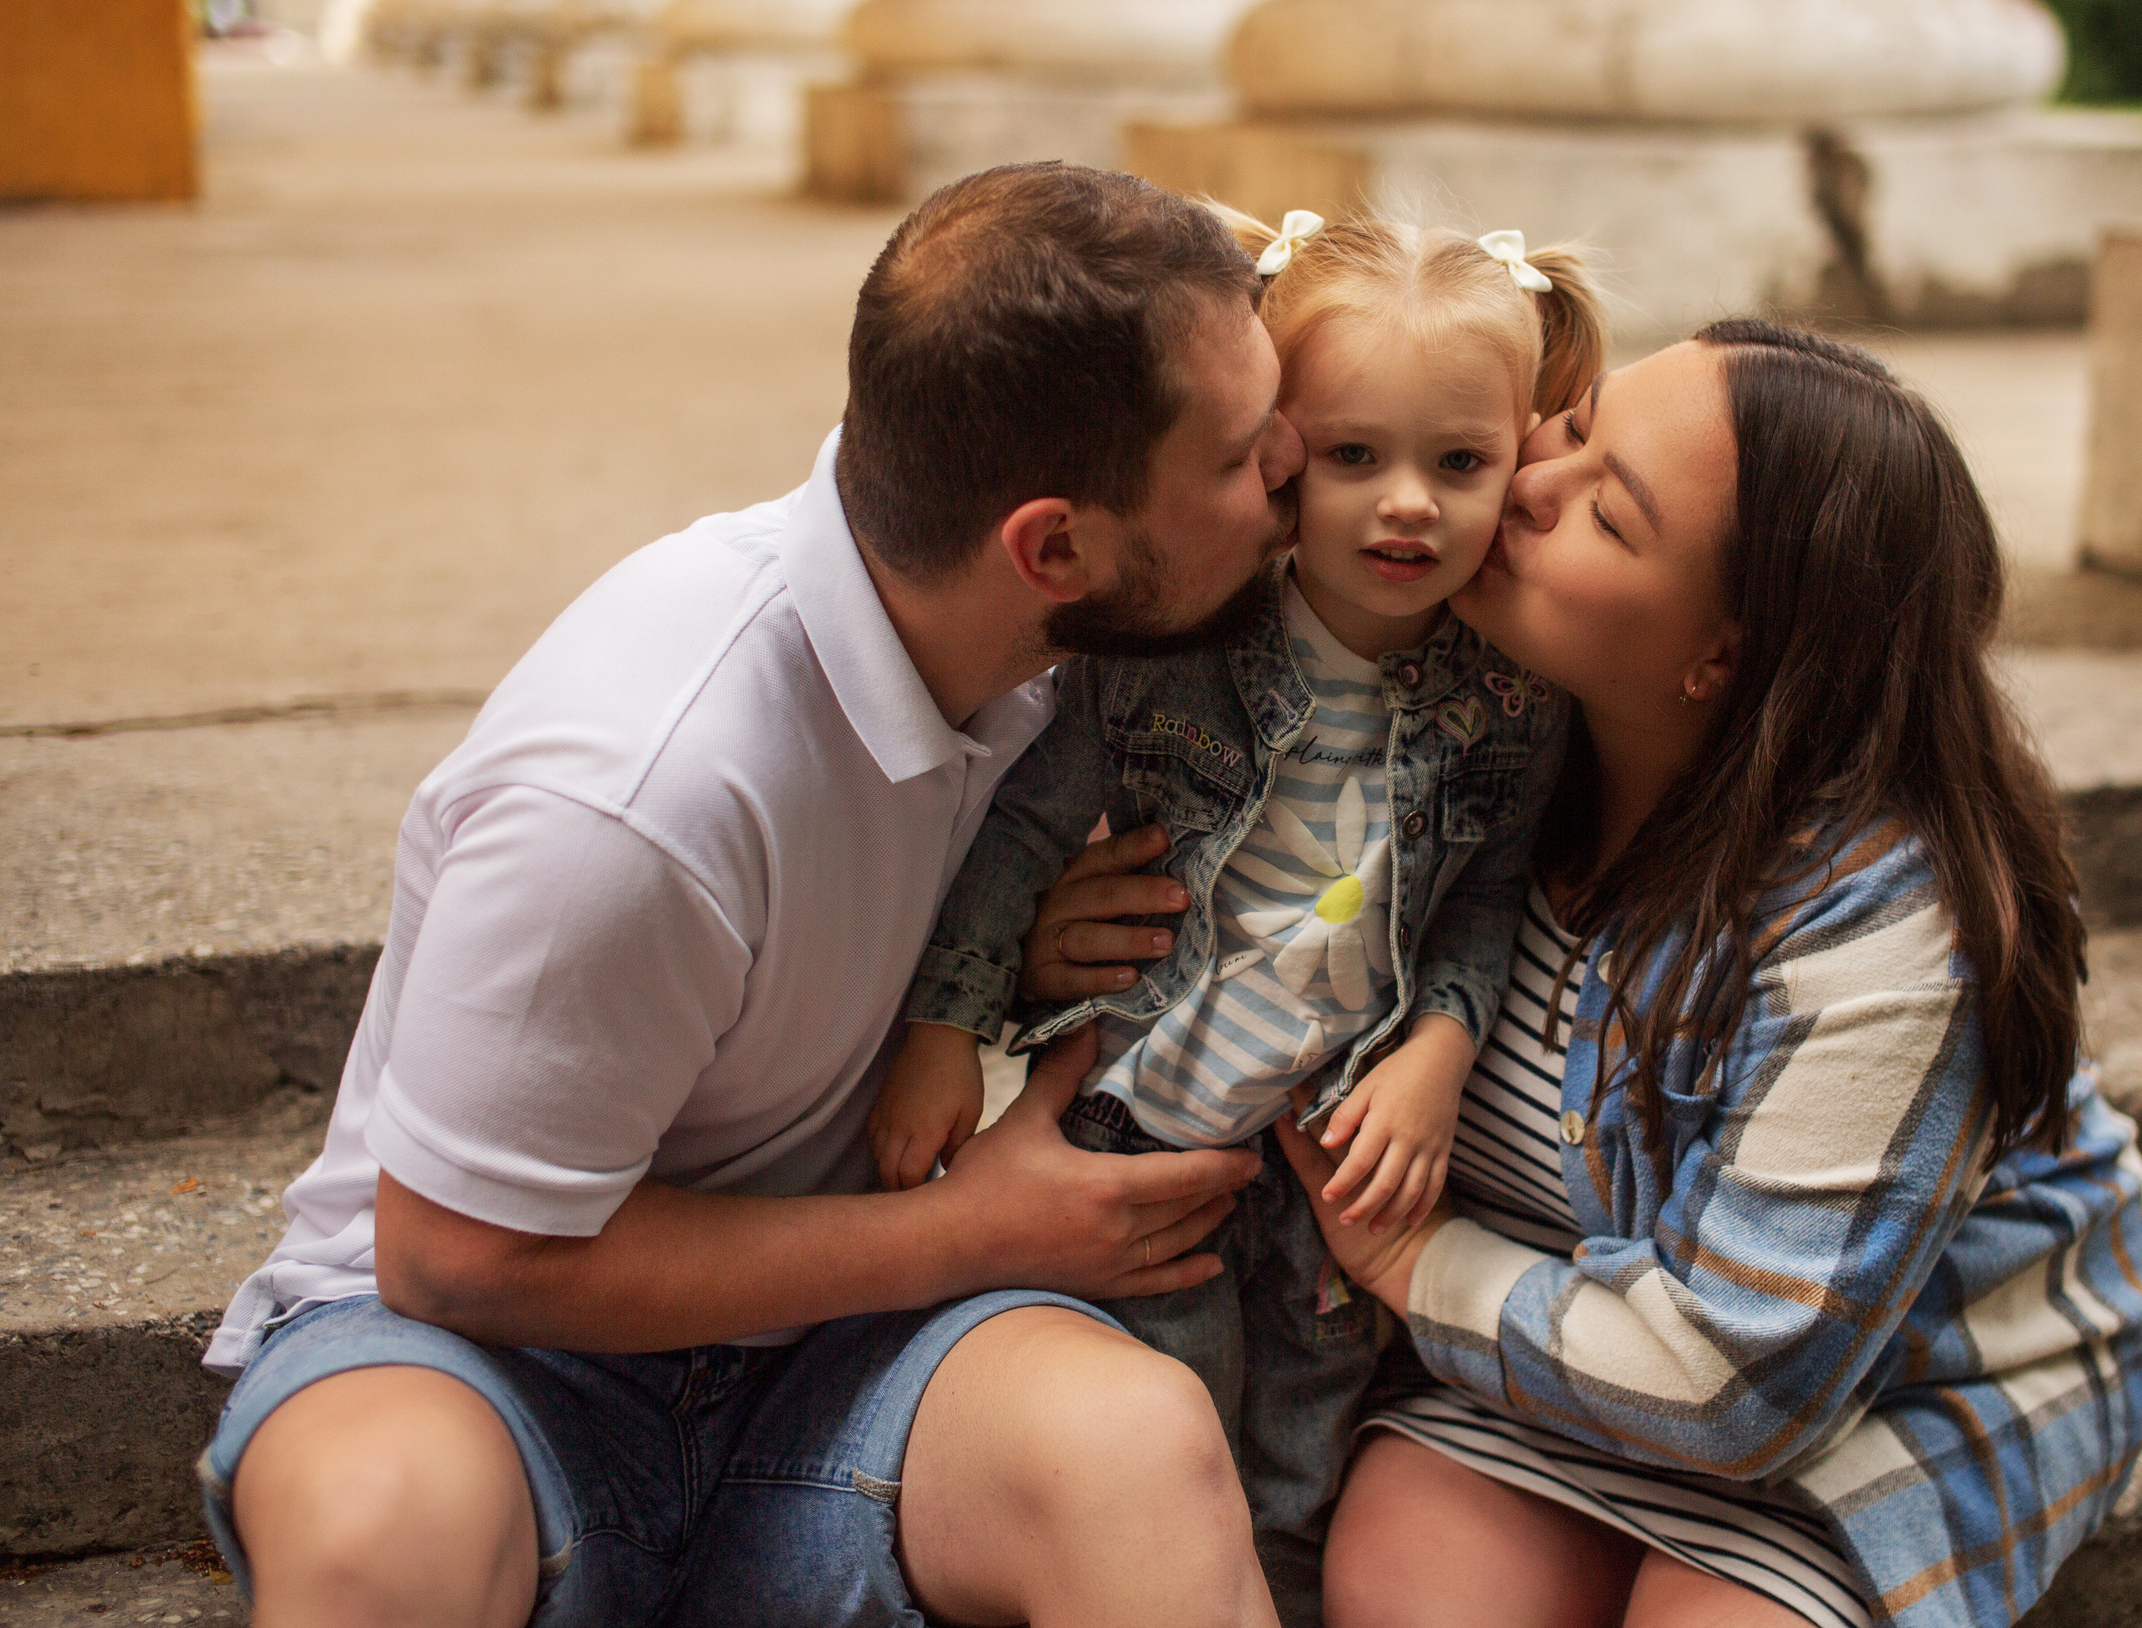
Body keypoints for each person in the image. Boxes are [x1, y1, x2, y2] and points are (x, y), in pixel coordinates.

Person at [191, 163, 1314, 1628]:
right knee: (378, 1529)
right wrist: (978, 1232)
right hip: (476, 1363)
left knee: (1136, 1452)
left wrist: (1015, 965)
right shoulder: (639, 794)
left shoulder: (1061, 657)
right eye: (1238, 456)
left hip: (842, 1375)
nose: (1294, 460)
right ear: (1053, 547)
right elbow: (457, 1254)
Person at [1036, 322, 2142, 1628]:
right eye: (1572, 432)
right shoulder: (1466, 719)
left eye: (1607, 515)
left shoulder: (1891, 919)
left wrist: (1411, 1261)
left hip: (1892, 1372)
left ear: (1723, 656)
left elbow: (1739, 1391)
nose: (1524, 486)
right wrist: (1066, 936)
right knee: (1406, 1592)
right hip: (1555, 1328)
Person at [864, 207, 1604, 1626]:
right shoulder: (1176, 653)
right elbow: (1026, 825)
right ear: (1281, 455)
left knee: (1299, 1466)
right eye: (1352, 458)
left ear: (1520, 455)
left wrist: (1440, 1048)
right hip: (1146, 1127)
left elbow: (1485, 892)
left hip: (1332, 1159)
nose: (1408, 505)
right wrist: (946, 1025)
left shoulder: (1512, 699)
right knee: (1175, 1441)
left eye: (1461, 463)